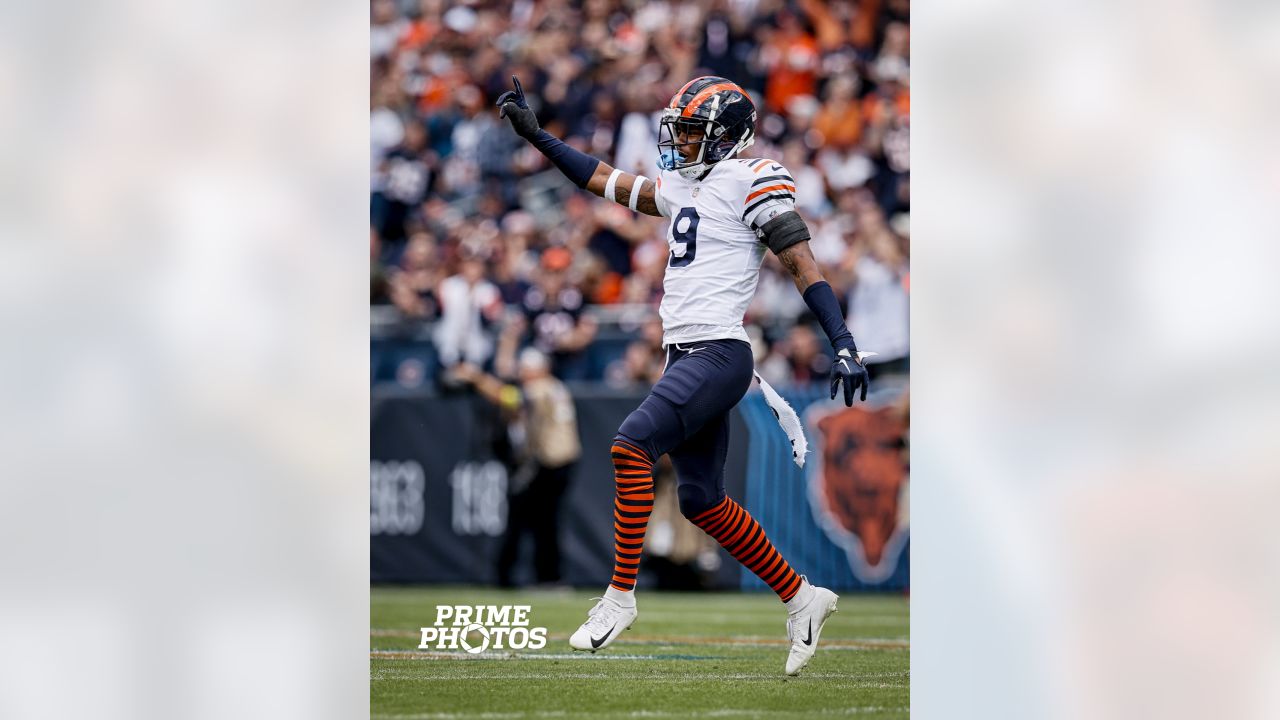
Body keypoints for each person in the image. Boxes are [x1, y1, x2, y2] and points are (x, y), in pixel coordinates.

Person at [496, 75, 870, 676]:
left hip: (718, 353)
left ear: (727, 137)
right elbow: (603, 180)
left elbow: (801, 263)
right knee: (701, 501)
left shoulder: (753, 179)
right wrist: (539, 136)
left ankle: (619, 597)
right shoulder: (681, 186)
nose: (680, 143)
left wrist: (843, 341)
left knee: (629, 445)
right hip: (685, 355)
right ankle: (802, 597)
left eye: (693, 132)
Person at [452, 348, 581, 587]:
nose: (523, 374)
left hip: (551, 463)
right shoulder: (555, 387)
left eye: (527, 370)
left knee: (537, 520)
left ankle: (540, 576)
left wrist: (476, 378)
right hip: (559, 460)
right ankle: (543, 576)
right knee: (541, 521)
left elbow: (509, 397)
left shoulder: (542, 387)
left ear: (540, 369)